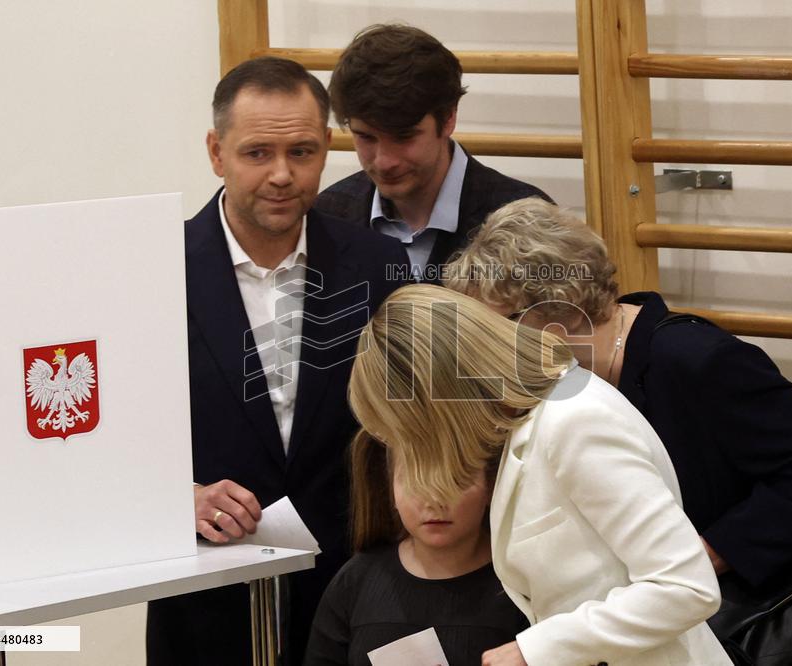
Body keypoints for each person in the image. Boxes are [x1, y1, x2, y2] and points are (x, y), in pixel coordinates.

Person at [444, 196, 792, 665]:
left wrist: (709, 552)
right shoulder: (572, 382)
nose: (492, 347)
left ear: (557, 306)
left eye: (500, 326)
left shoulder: (693, 359)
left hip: (781, 625)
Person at [145, 57, 408, 666]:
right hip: (204, 595)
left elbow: (413, 425)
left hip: (355, 587)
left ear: (328, 148)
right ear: (216, 152)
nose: (283, 175)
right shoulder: (151, 269)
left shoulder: (379, 265)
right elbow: (110, 437)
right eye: (257, 153)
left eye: (303, 151)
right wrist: (176, 497)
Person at [346, 284, 731, 666]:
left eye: (416, 427)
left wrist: (536, 650)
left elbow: (686, 587)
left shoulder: (575, 419)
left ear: (442, 397)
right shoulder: (534, 417)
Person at [313, 24, 552, 283]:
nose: (384, 161)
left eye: (403, 136)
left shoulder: (530, 223)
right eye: (365, 137)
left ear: (448, 118)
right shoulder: (326, 217)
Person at [303, 432, 529, 664]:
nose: (434, 500)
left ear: (490, 484)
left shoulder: (521, 586)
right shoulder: (355, 581)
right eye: (415, 480)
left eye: (455, 479)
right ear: (390, 486)